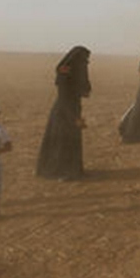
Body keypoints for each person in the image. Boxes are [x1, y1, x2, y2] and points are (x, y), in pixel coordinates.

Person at [36, 46, 91, 180]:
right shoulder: (66, 72)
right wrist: (74, 117)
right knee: (63, 140)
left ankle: (66, 169)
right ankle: (62, 171)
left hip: (71, 107)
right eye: (84, 60)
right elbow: (64, 95)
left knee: (68, 140)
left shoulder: (72, 70)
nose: (86, 63)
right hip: (64, 110)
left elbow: (85, 90)